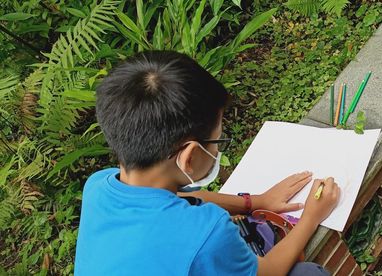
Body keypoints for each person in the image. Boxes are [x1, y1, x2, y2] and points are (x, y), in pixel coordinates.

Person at [74, 50, 340, 275]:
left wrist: (256, 202)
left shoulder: (98, 186)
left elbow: (187, 196)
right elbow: (268, 270)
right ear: (189, 157)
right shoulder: (207, 233)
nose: (217, 148)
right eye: (217, 142)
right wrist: (311, 217)